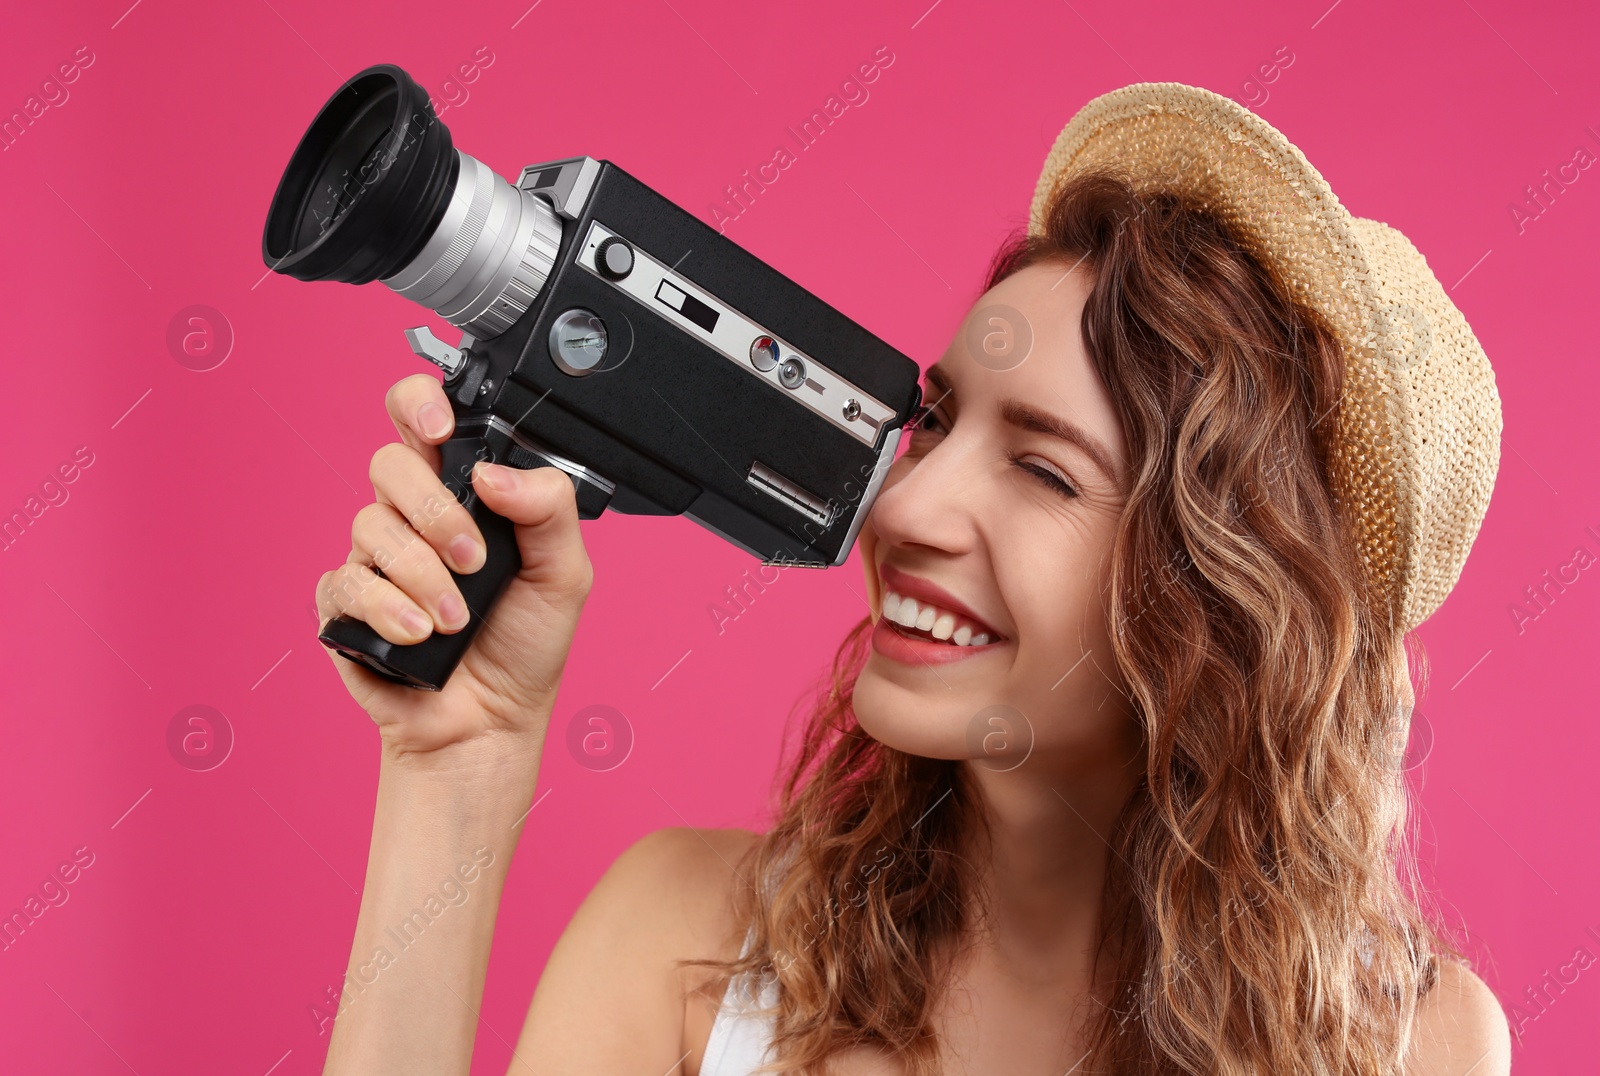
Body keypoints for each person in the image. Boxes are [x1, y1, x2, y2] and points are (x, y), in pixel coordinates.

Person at [313, 83, 1511, 1074]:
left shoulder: (1413, 1039)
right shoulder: (681, 944)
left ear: (1229, 604)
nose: (907, 500)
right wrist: (455, 770)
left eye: (1043, 470)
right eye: (938, 424)